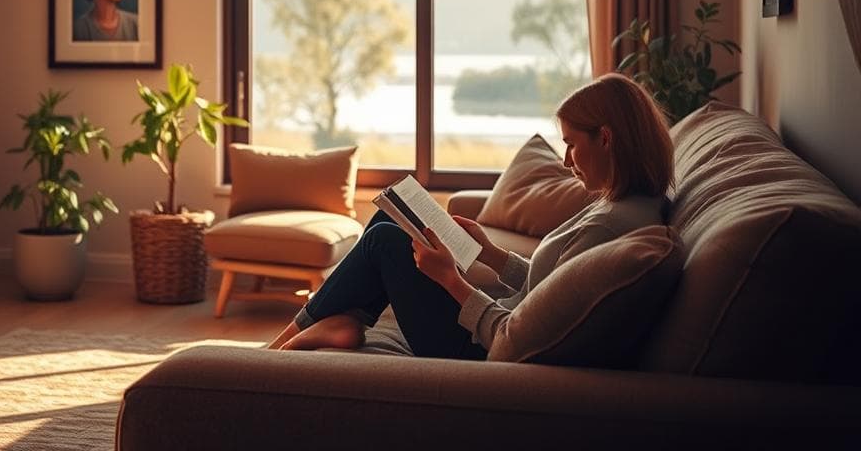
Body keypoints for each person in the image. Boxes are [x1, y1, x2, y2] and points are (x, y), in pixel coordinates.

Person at [266, 72, 674, 357]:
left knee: (383, 239)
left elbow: (512, 337)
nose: (567, 161)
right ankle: (344, 321)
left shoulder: (611, 225)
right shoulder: (628, 205)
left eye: (571, 145)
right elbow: (551, 286)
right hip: (486, 322)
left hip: (472, 348)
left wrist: (449, 278)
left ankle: (276, 350)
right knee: (391, 220)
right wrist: (490, 253)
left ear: (605, 138)